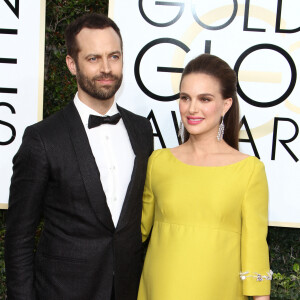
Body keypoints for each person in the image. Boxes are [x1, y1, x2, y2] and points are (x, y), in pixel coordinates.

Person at [5, 13, 153, 300]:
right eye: (93, 58)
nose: (107, 68)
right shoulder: (43, 139)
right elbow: (19, 236)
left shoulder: (141, 130)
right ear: (72, 64)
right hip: (61, 291)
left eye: (114, 56)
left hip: (127, 290)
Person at [138, 53, 271, 300]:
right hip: (161, 290)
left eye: (205, 99)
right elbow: (135, 233)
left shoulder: (249, 171)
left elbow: (255, 250)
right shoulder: (159, 162)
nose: (192, 108)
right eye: (185, 98)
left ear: (226, 105)